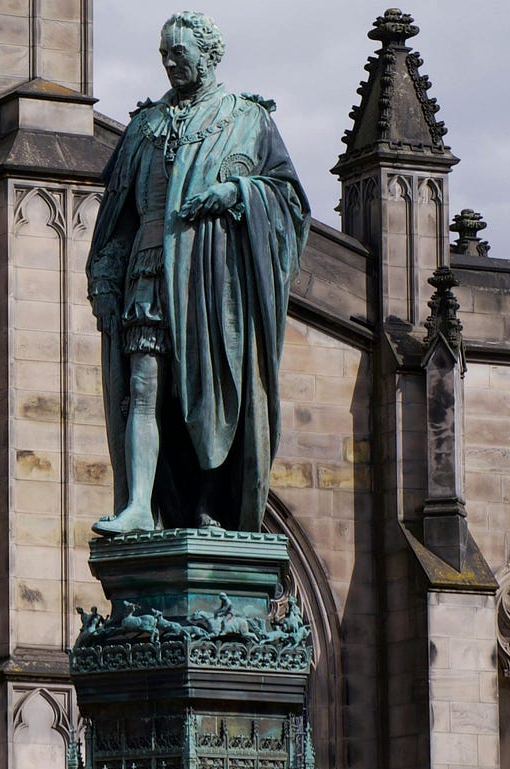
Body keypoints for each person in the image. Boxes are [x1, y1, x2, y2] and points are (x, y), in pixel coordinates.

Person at [86, 11, 309, 534]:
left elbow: (289, 200)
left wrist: (237, 192)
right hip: (147, 272)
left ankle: (212, 503)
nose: (169, 62)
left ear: (208, 55)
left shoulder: (247, 119)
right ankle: (138, 505)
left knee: (207, 394)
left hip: (212, 282)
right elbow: (117, 218)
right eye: (163, 53)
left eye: (178, 52)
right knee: (143, 388)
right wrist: (104, 277)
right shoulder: (144, 126)